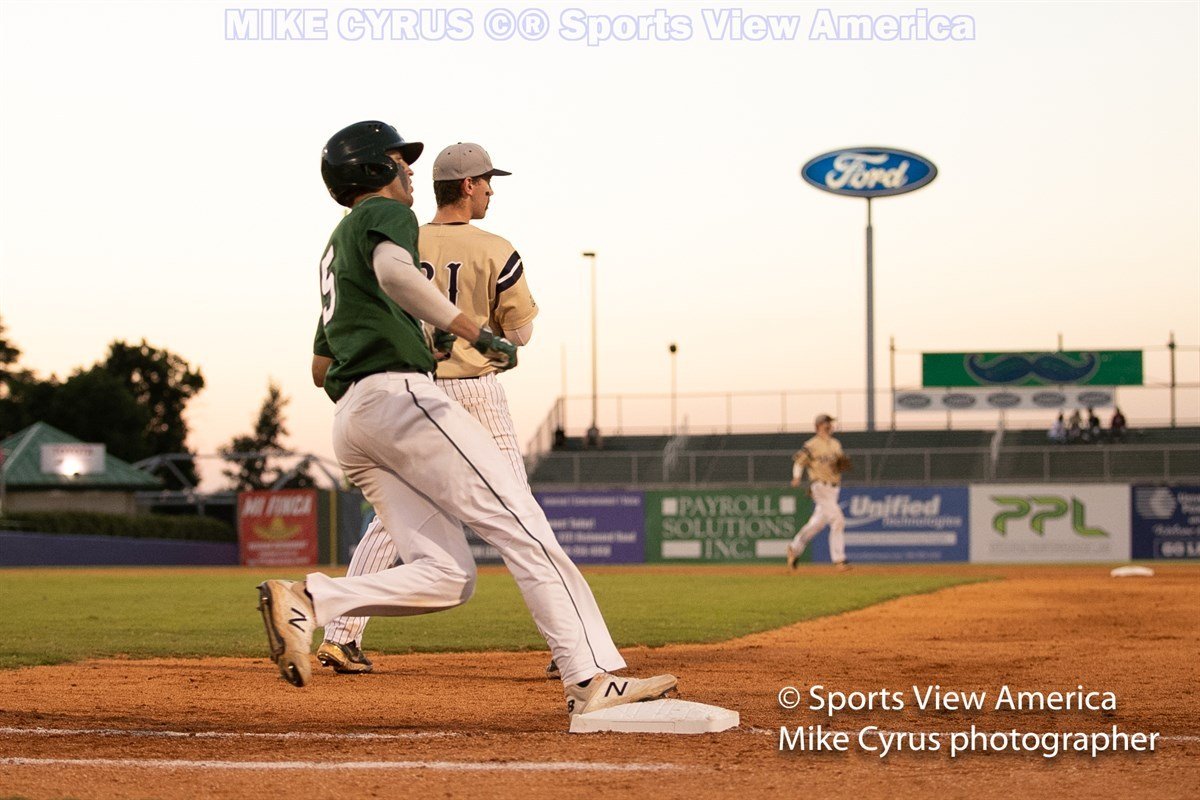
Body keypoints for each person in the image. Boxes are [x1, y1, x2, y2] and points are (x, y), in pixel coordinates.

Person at [257, 121, 676, 720]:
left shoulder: (335, 246)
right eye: (399, 159)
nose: (409, 170)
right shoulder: (386, 213)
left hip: (355, 417)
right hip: (401, 398)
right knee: (523, 524)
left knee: (450, 576)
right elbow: (396, 274)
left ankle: (310, 602)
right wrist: (469, 331)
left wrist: (401, 346)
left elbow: (321, 368)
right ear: (374, 169)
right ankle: (589, 680)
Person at [316, 142, 543, 675]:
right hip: (475, 391)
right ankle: (569, 649)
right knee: (519, 516)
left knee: (393, 523)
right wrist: (479, 329)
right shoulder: (495, 246)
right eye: (486, 181)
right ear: (467, 185)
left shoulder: (403, 235)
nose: (490, 190)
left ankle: (340, 634)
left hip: (415, 387)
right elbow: (520, 333)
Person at [785, 414, 852, 571]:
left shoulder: (835, 444)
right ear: (818, 426)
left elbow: (840, 464)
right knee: (838, 520)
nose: (830, 425)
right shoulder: (812, 444)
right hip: (820, 486)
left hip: (834, 488)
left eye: (830, 423)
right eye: (826, 423)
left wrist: (841, 464)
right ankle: (839, 560)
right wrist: (796, 477)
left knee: (816, 525)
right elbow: (799, 462)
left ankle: (794, 548)